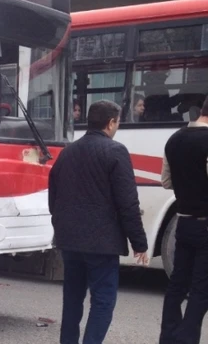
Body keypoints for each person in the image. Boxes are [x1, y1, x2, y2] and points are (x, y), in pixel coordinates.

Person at [49, 99, 149, 344]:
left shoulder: (67, 151)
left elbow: (54, 195)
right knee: (103, 302)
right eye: (117, 122)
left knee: (72, 300)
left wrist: (61, 225)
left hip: (69, 240)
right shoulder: (115, 151)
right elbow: (128, 203)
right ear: (111, 122)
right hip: (101, 244)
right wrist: (140, 243)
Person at [159, 96, 208, 344]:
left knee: (178, 283)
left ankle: (168, 337)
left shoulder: (175, 138)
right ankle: (186, 339)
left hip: (183, 222)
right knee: (201, 289)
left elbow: (166, 181)